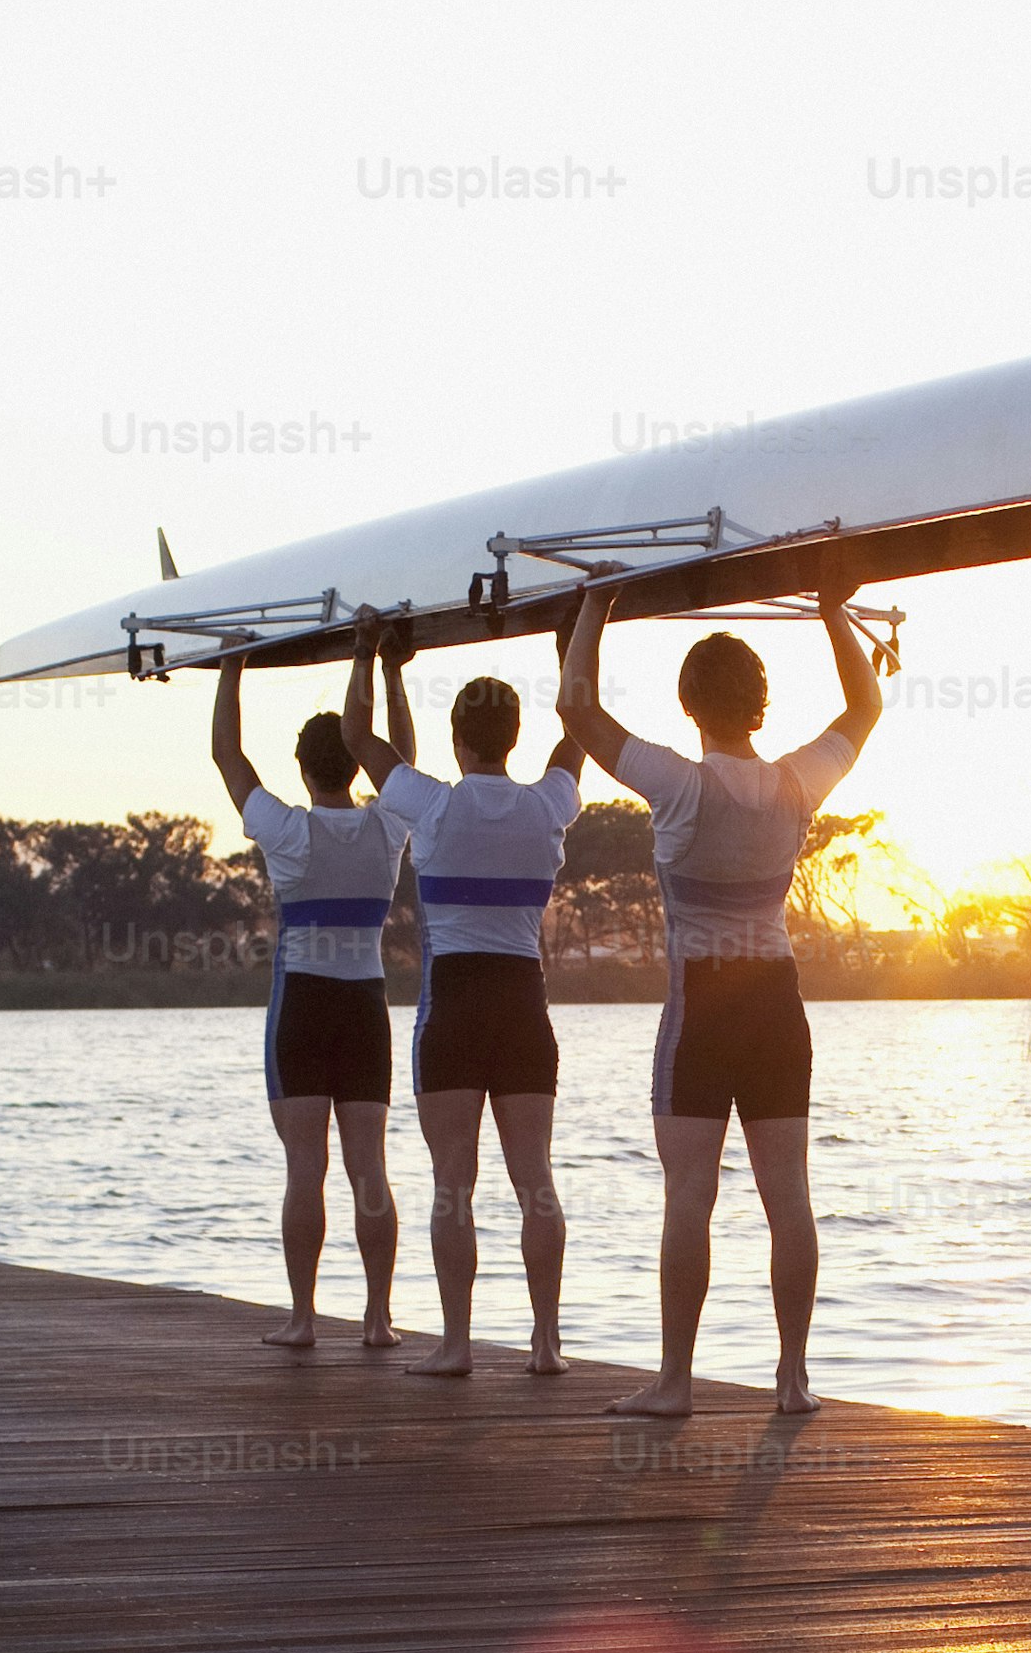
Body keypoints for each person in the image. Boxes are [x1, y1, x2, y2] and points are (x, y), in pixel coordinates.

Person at [552, 578, 885, 1418]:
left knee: (689, 1197)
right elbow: (864, 707)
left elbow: (577, 709)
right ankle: (792, 1379)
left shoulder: (676, 782)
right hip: (776, 1001)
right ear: (759, 705)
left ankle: (674, 1382)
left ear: (689, 705)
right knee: (790, 1196)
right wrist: (833, 612)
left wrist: (596, 607)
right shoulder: (795, 783)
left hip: (701, 1006)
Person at [371, 615, 584, 1376]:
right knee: (536, 1182)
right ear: (513, 738)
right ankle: (546, 1343)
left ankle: (457, 1344)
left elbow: (367, 746)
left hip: (454, 1007)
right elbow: (579, 727)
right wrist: (572, 634)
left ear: (459, 742)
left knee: (451, 1185)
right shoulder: (548, 804)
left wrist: (375, 660)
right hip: (524, 1006)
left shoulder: (431, 805)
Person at [213, 645, 414, 1351]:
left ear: (302, 770)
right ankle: (379, 1319)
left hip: (302, 1006)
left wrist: (232, 667)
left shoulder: (288, 831)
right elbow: (406, 765)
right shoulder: (388, 826)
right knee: (370, 1169)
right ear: (359, 766)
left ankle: (302, 1319)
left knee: (307, 1167)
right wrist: (391, 675)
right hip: (365, 1007)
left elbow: (227, 757)